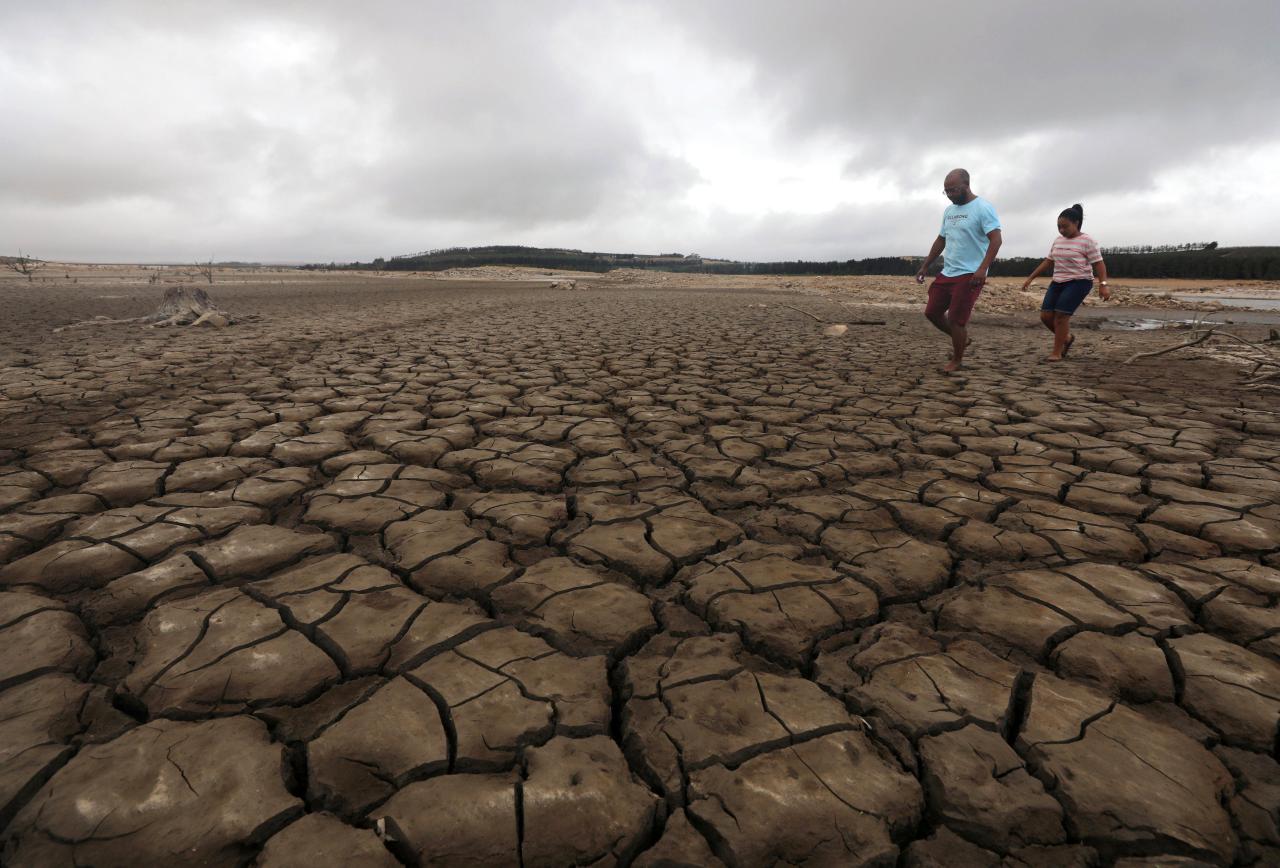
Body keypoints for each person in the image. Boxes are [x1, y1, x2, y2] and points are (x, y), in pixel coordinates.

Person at [915, 169, 1002, 372]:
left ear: (966, 185)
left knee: (956, 318)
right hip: (949, 271)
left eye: (953, 190)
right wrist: (926, 265)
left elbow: (996, 240)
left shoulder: (983, 208)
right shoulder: (949, 211)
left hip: (970, 274)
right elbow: (941, 240)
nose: (950, 195)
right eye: (946, 192)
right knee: (932, 312)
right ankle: (963, 339)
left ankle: (957, 360)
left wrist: (982, 269)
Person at [1020, 204, 1110, 361]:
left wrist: (1103, 285)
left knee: (1061, 317)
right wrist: (1030, 278)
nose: (1061, 230)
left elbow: (1099, 264)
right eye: (1058, 227)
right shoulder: (1058, 241)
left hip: (1079, 282)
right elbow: (1048, 261)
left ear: (1076, 223)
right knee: (1046, 316)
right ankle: (1066, 338)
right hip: (1058, 282)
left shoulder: (1087, 241)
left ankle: (1057, 352)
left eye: (1065, 226)